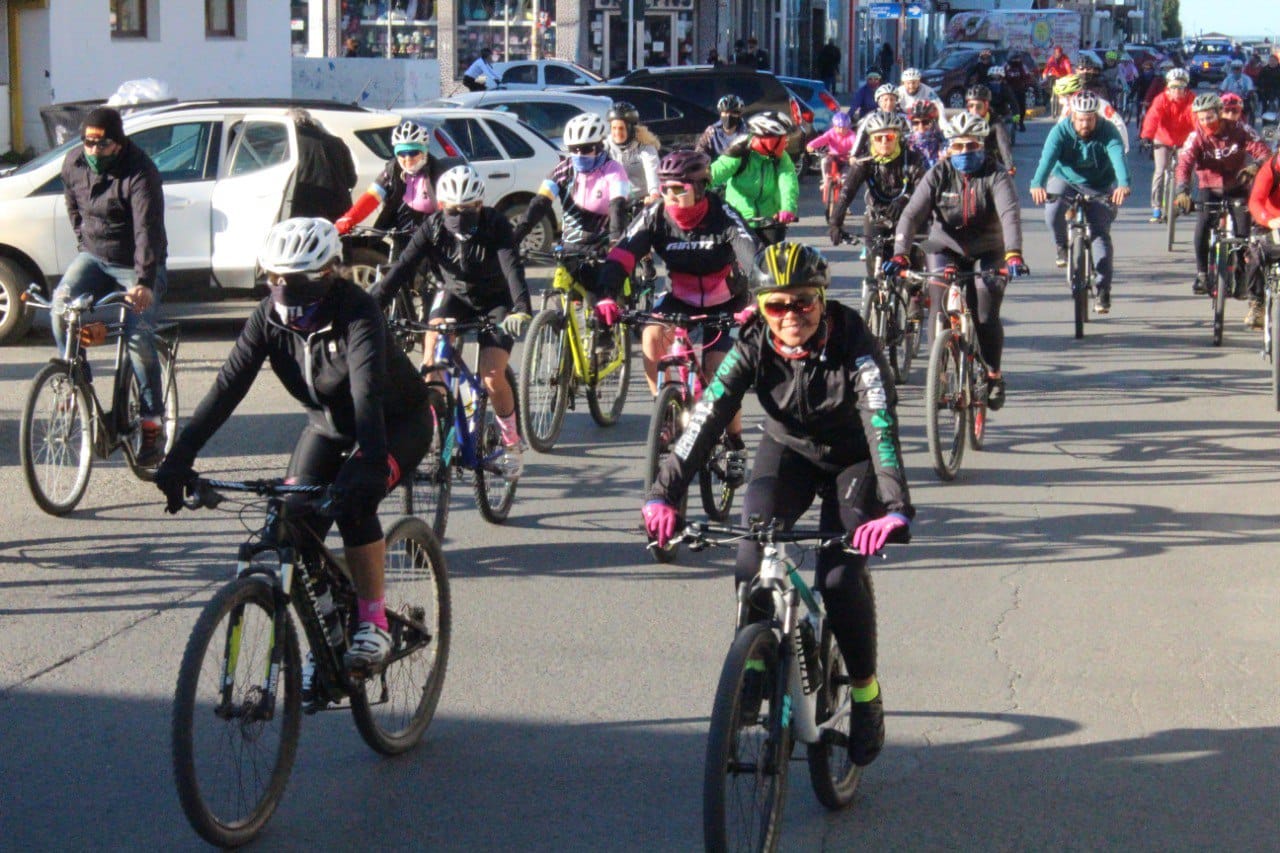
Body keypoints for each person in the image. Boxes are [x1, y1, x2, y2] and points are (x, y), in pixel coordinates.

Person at [641, 240, 915, 769]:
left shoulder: (854, 340)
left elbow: (880, 425)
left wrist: (895, 506)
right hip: (788, 451)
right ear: (761, 308)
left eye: (803, 302)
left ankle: (865, 693)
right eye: (777, 305)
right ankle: (755, 669)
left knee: (839, 578)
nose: (791, 315)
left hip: (853, 459)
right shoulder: (751, 344)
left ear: (822, 299)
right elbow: (707, 416)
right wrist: (663, 494)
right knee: (751, 559)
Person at [154, 218, 434, 672]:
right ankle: (328, 643)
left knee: (354, 504)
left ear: (327, 273)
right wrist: (179, 457)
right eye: (274, 278)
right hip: (326, 427)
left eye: (296, 282)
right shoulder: (267, 317)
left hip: (394, 424)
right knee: (290, 527)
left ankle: (373, 623)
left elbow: (367, 393)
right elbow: (226, 389)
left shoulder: (357, 311)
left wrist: (369, 465)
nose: (285, 294)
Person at [598, 150, 758, 485]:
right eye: (666, 189)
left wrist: (756, 301)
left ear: (700, 187)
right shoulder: (656, 214)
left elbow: (752, 257)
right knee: (651, 336)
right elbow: (623, 254)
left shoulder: (723, 214)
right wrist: (607, 295)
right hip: (679, 299)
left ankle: (735, 444)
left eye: (678, 189)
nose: (670, 196)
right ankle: (666, 409)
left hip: (725, 302)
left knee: (718, 371)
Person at [372, 165, 531, 474]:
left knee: (491, 375)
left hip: (495, 301)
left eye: (468, 208)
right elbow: (401, 268)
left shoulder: (495, 225)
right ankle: (434, 427)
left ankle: (511, 441)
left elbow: (512, 269)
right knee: (432, 363)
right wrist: (371, 306)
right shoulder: (432, 227)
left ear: (480, 204)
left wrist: (521, 308)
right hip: (454, 296)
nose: (460, 215)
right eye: (453, 209)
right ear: (441, 204)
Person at [886, 113, 1028, 410]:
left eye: (971, 146)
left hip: (989, 250)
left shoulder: (996, 175)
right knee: (938, 308)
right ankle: (938, 376)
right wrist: (900, 252)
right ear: (949, 147)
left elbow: (1009, 215)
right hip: (944, 247)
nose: (964, 152)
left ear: (982, 145)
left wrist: (1014, 253)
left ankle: (993, 374)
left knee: (985, 313)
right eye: (958, 146)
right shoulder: (938, 173)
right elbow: (911, 215)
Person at [55, 106, 169, 466]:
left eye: (101, 144)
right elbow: (73, 205)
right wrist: (83, 241)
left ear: (118, 143)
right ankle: (77, 382)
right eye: (88, 143)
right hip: (94, 257)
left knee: (138, 337)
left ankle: (152, 423)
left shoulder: (140, 171)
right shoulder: (73, 163)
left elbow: (147, 230)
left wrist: (144, 281)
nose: (93, 150)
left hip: (136, 264)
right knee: (60, 307)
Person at [513, 112, 629, 317]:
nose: (579, 154)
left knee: (598, 306)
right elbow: (539, 203)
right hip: (570, 246)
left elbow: (617, 206)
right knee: (562, 302)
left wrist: (615, 240)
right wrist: (516, 236)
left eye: (585, 149)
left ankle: (604, 332)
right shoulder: (563, 169)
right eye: (573, 149)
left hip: (600, 247)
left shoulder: (613, 170)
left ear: (600, 145)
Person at [1029, 92, 1131, 313]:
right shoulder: (1060, 132)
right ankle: (1061, 246)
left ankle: (1103, 290)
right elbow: (1047, 159)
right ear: (1073, 116)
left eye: (1090, 119)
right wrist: (1037, 184)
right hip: (1065, 179)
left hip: (1099, 184)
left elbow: (1118, 157)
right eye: (1081, 119)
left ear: (1096, 117)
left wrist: (1123, 184)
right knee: (1053, 210)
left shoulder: (1108, 131)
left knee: (1100, 235)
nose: (1085, 124)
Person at [1175, 92, 1270, 322]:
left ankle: (1242, 276)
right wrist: (1182, 190)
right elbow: (1184, 163)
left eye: (1210, 117)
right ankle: (1201, 273)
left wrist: (1255, 166)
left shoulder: (1239, 129)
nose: (1206, 122)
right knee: (1202, 226)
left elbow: (1263, 151)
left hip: (1238, 186)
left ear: (1219, 113)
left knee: (1244, 236)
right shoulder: (1196, 136)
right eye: (1201, 118)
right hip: (1209, 187)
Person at [829, 110, 928, 300]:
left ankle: (914, 305)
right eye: (878, 138)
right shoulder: (865, 162)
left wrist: (903, 201)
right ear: (871, 140)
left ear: (898, 137)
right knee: (874, 265)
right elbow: (846, 193)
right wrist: (835, 223)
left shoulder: (912, 159)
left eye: (889, 137)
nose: (884, 142)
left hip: (909, 219)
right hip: (877, 217)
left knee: (914, 269)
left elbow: (922, 191)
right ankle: (875, 303)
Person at [335, 120, 444, 239]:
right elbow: (372, 197)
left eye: (413, 152)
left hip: (430, 228)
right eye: (402, 153)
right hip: (400, 226)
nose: (407, 158)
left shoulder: (437, 171)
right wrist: (348, 219)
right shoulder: (393, 169)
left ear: (424, 152)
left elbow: (446, 209)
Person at [710, 111, 799, 239]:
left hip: (771, 219)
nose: (787, 142)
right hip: (740, 220)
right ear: (769, 141)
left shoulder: (782, 158)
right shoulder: (739, 152)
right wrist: (693, 191)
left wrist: (787, 208)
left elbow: (788, 182)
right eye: (783, 138)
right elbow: (713, 174)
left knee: (775, 252)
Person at [1139, 67, 1194, 222]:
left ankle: (1182, 198)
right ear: (1168, 87)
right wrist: (1147, 136)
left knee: (1187, 170)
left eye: (1181, 87)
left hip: (1184, 140)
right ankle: (1156, 207)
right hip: (1163, 138)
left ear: (1186, 88)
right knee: (1160, 170)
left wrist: (1201, 140)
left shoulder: (1191, 100)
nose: (1177, 91)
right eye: (1173, 87)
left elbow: (1197, 120)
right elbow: (1152, 118)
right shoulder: (1161, 99)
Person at [286, 108, 357, 222]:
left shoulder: (289, 145)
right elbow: (351, 180)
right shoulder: (337, 142)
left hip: (304, 207)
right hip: (338, 207)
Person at [605, 100, 661, 203]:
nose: (617, 132)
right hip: (615, 200)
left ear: (630, 128)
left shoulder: (645, 147)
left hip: (641, 199)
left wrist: (654, 193)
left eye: (621, 128)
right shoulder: (606, 146)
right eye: (614, 128)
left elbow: (652, 170)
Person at [965, 84, 1016, 174]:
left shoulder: (996, 123)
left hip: (991, 167)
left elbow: (1004, 146)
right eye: (970, 106)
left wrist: (1009, 167)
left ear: (986, 105)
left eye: (978, 106)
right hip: (970, 165)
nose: (974, 110)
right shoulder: (963, 122)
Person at [805, 110, 856, 188]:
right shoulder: (831, 133)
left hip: (846, 160)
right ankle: (825, 181)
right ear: (834, 126)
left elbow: (856, 144)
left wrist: (854, 155)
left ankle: (843, 189)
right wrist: (811, 145)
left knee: (845, 180)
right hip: (833, 158)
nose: (841, 130)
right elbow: (822, 139)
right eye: (839, 128)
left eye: (844, 128)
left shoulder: (851, 135)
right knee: (824, 161)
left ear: (848, 127)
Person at [906, 100, 945, 169]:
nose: (920, 127)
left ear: (933, 122)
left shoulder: (941, 141)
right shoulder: (906, 143)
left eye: (925, 122)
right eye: (916, 123)